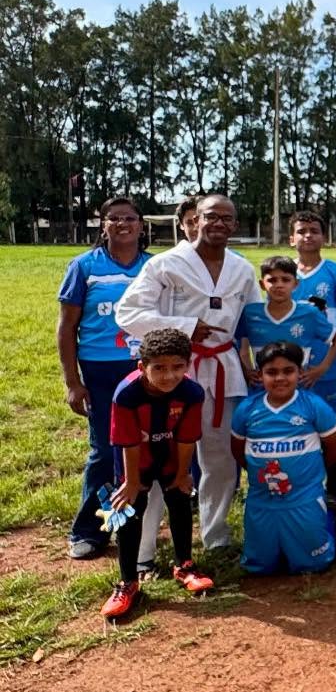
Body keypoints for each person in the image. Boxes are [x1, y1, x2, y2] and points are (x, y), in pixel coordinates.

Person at [117, 193, 261, 556]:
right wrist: (183, 327)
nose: (218, 224)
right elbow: (128, 312)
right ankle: (144, 549)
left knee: (220, 457)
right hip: (171, 373)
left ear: (235, 225)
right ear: (196, 218)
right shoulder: (167, 264)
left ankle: (215, 536)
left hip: (223, 369)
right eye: (211, 217)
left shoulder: (242, 269)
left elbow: (256, 321)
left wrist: (260, 363)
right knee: (158, 459)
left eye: (227, 219)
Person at [58, 196, 152, 560]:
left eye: (130, 217)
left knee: (145, 446)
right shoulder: (84, 267)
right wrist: (72, 381)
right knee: (104, 449)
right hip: (100, 369)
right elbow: (66, 328)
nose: (123, 223)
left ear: (141, 225)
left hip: (145, 368)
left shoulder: (154, 266)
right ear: (103, 225)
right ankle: (89, 531)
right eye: (114, 218)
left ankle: (138, 524)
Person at [99, 329, 211, 619]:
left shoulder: (191, 392)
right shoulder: (126, 394)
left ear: (187, 365)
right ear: (142, 367)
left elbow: (188, 437)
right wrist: (133, 482)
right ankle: (128, 582)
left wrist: (184, 473)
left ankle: (184, 565)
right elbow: (129, 440)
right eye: (159, 368)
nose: (169, 376)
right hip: (135, 459)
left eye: (177, 367)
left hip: (173, 455)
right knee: (129, 511)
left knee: (179, 500)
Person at [230, 341, 336, 575]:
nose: (280, 378)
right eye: (271, 372)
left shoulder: (313, 406)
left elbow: (335, 447)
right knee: (260, 568)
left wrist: (311, 473)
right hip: (262, 501)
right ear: (260, 375)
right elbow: (238, 452)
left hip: (303, 498)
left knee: (313, 565)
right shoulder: (247, 409)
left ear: (299, 373)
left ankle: (330, 516)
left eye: (288, 371)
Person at [289, 211, 336, 416]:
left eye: (314, 231)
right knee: (294, 414)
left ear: (324, 238)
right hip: (292, 358)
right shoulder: (283, 272)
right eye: (301, 231)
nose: (308, 235)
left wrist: (333, 337)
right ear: (291, 239)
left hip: (325, 360)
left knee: (326, 417)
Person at [235, 256, 336, 391]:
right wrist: (246, 370)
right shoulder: (251, 313)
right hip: (261, 391)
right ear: (262, 284)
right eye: (272, 280)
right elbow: (233, 344)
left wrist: (321, 369)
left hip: (299, 391)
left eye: (285, 280)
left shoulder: (309, 313)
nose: (279, 285)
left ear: (295, 284)